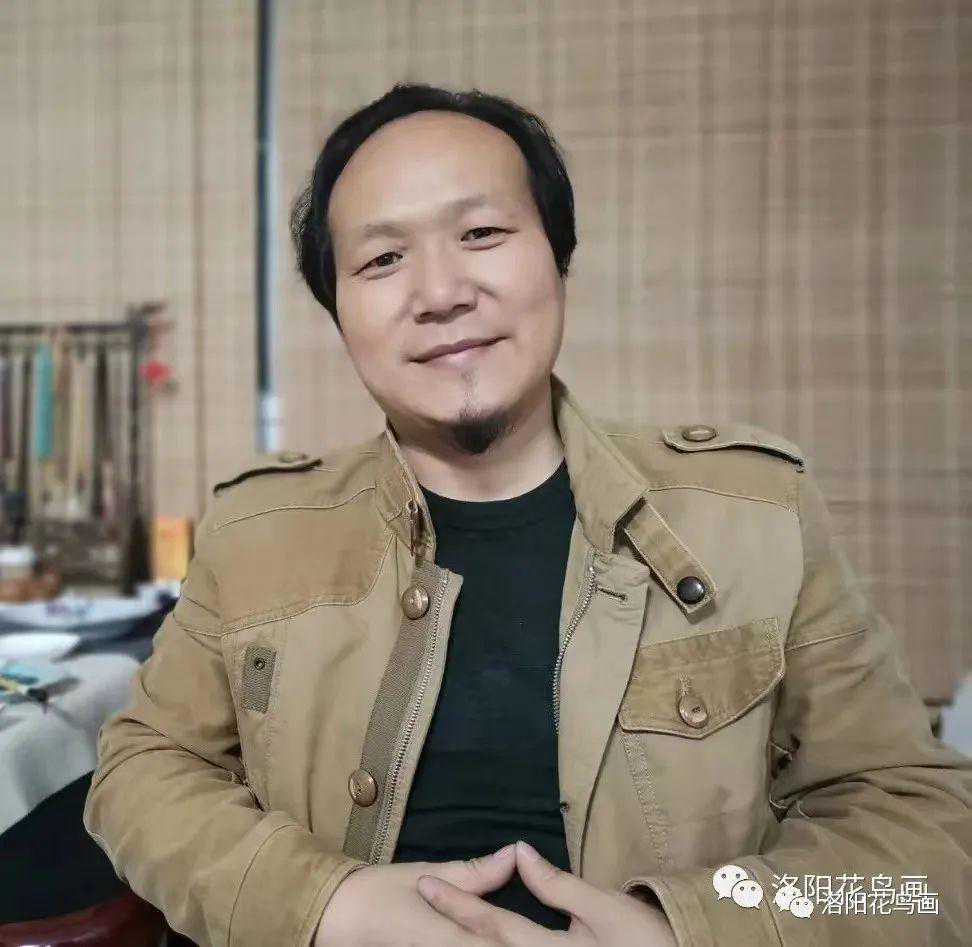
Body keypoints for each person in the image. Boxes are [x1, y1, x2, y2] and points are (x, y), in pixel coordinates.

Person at [84, 82, 972, 947]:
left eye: (481, 233)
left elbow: (924, 847)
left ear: (558, 257)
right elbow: (141, 770)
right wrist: (324, 908)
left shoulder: (755, 515)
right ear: (339, 310)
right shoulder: (257, 530)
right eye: (382, 259)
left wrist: (688, 927)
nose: (440, 292)